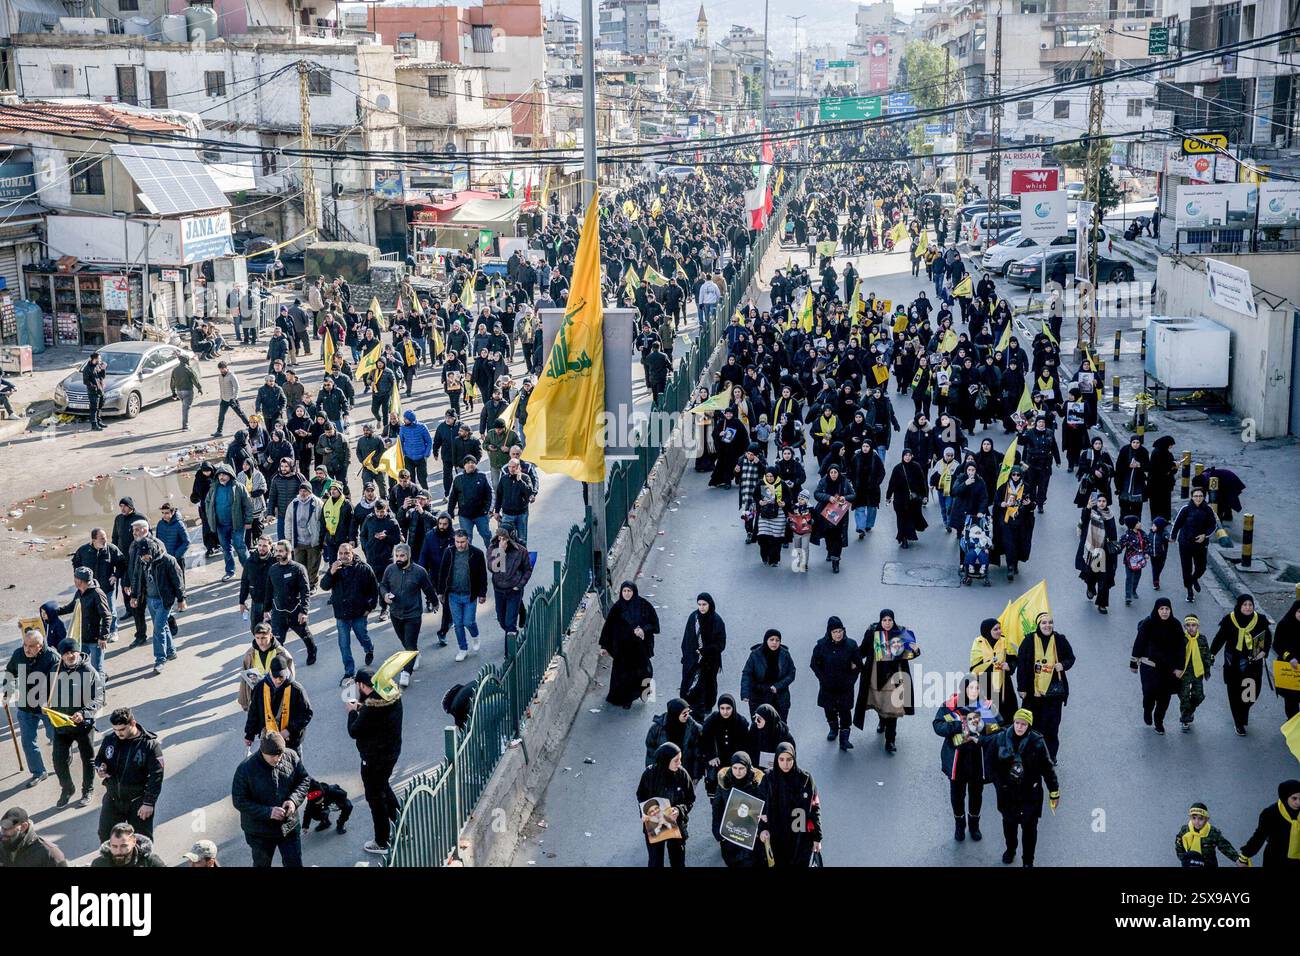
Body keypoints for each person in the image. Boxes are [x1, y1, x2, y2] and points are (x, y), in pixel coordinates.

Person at [934, 675, 1000, 842]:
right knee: (957, 795)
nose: (974, 691)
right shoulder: (950, 706)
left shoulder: (987, 707)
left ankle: (974, 825)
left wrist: (984, 731)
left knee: (976, 794)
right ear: (964, 689)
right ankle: (959, 824)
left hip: (978, 760)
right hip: (957, 761)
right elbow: (937, 725)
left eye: (977, 688)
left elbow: (999, 730)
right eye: (971, 688)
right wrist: (958, 726)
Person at [991, 709, 1060, 867]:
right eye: (1017, 723)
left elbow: (1047, 769)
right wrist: (999, 785)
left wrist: (1054, 792)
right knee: (1009, 826)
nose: (1019, 727)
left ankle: (1028, 861)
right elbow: (991, 765)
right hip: (1008, 794)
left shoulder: (1037, 742)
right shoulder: (1001, 738)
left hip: (1030, 794)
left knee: (1029, 830)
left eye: (1023, 724)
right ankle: (1011, 849)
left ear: (1029, 725)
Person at [230, 732, 310, 867]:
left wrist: (293, 801)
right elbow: (239, 800)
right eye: (272, 756)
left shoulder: (291, 756)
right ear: (262, 751)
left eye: (280, 754)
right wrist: (268, 812)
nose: (277, 759)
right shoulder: (245, 769)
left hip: (288, 826)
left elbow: (304, 780)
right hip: (260, 832)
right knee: (262, 864)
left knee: (294, 863)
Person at [347, 667, 404, 855]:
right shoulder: (391, 696)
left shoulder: (371, 709)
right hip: (391, 753)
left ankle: (382, 841)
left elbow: (354, 731)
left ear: (362, 685)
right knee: (383, 788)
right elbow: (378, 718)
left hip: (373, 759)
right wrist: (362, 707)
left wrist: (352, 712)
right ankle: (402, 825)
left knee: (375, 798)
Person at [855, 609, 921, 754]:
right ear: (880, 621)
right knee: (879, 702)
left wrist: (914, 646)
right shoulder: (872, 633)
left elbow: (911, 653)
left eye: (889, 620)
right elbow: (863, 650)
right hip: (875, 676)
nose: (887, 623)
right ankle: (882, 721)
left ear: (893, 620)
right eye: (884, 620)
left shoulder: (901, 633)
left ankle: (890, 740)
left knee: (892, 708)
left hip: (895, 677)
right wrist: (852, 659)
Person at [94, 707, 164, 843]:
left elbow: (156, 776)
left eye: (122, 729)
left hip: (138, 801)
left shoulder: (149, 745)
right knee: (105, 836)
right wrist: (100, 768)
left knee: (142, 841)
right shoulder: (110, 739)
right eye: (114, 729)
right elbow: (100, 758)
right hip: (113, 798)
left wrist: (148, 803)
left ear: (132, 723)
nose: (118, 733)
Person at [48, 638, 103, 809]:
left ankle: (88, 789)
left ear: (78, 652)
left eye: (72, 652)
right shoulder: (55, 670)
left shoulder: (89, 671)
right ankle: (67, 788)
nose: (70, 655)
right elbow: (47, 693)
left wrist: (84, 713)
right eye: (65, 653)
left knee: (88, 759)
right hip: (61, 724)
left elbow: (99, 697)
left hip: (83, 725)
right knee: (58, 760)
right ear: (61, 655)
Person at [1209, 593, 1272, 736]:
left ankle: (1243, 712)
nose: (1248, 607)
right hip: (1233, 661)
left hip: (1252, 662)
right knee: (1235, 692)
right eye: (1245, 605)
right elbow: (1220, 638)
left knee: (1251, 694)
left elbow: (1267, 638)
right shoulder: (1229, 620)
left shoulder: (1260, 620)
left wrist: (1264, 652)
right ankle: (1239, 722)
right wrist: (1211, 654)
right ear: (1239, 606)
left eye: (1250, 605)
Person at [1015, 613, 1074, 762]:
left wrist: (1063, 665)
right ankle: (1030, 754)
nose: (1048, 626)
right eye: (1044, 623)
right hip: (1032, 693)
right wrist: (1021, 688)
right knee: (1032, 726)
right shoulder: (1028, 641)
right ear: (1038, 625)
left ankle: (1050, 756)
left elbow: (1071, 658)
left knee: (1052, 727)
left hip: (1053, 694)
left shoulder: (1060, 640)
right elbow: (1021, 665)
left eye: (1050, 622)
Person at [3, 628, 58, 787]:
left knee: (56, 737)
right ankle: (38, 772)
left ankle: (63, 759)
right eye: (25, 644)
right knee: (28, 742)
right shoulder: (19, 654)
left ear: (40, 646)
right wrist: (7, 692)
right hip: (26, 707)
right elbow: (10, 672)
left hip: (48, 709)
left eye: (31, 646)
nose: (26, 649)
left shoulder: (53, 658)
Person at [319, 542, 378, 683]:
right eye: (341, 553)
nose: (344, 556)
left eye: (347, 553)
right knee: (344, 645)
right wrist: (331, 572)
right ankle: (349, 672)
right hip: (342, 615)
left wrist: (369, 607)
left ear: (352, 553)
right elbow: (324, 586)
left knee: (362, 636)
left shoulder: (364, 569)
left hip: (359, 613)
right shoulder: (335, 569)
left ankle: (369, 649)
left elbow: (374, 590)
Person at [380, 543, 439, 685]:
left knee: (410, 643)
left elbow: (428, 589)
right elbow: (383, 585)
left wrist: (435, 602)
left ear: (408, 556)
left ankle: (406, 673)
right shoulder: (390, 569)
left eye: (402, 556)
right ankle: (414, 655)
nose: (399, 559)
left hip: (413, 614)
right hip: (395, 613)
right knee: (406, 642)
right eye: (397, 556)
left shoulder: (419, 572)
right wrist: (385, 595)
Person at [757, 742, 821, 867]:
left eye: (789, 759)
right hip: (777, 837)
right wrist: (762, 830)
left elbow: (814, 807)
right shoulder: (768, 779)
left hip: (800, 837)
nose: (785, 764)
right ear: (776, 759)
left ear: (794, 758)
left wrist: (817, 838)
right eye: (781, 759)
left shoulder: (805, 779)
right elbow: (760, 807)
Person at [598, 581, 659, 709]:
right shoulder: (617, 608)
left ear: (634, 592)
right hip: (623, 650)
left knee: (645, 671)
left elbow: (654, 624)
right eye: (624, 591)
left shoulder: (644, 605)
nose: (626, 594)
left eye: (629, 591)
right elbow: (608, 627)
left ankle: (645, 692)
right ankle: (627, 699)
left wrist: (643, 630)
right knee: (624, 676)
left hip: (639, 648)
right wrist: (604, 646)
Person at [1129, 598, 1185, 735]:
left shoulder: (1175, 625)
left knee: (1164, 697)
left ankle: (1159, 721)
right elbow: (1139, 642)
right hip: (1149, 666)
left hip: (1168, 668)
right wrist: (1133, 663)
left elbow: (1180, 647)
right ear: (1156, 609)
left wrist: (1180, 667)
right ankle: (1147, 710)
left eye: (1167, 609)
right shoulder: (1148, 623)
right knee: (1149, 693)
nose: (1164, 612)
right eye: (1161, 609)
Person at [636, 742, 695, 868]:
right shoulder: (649, 774)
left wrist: (679, 810)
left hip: (676, 823)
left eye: (680, 759)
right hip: (654, 822)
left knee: (678, 860)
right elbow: (641, 795)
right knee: (655, 861)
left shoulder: (682, 774)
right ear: (665, 761)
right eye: (676, 761)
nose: (680, 764)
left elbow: (690, 798)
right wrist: (644, 813)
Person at [436, 529, 488, 663]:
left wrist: (482, 593)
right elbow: (442, 572)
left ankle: (475, 636)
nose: (459, 545)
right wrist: (441, 592)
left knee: (469, 621)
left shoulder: (477, 554)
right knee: (458, 624)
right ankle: (463, 648)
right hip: (453, 594)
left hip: (470, 594)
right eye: (457, 542)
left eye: (462, 542)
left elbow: (483, 575)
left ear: (468, 540)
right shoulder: (449, 552)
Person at [244, 656, 313, 753]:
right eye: (274, 676)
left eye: (281, 677)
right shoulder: (260, 688)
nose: (277, 680)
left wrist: (289, 730)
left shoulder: (296, 689)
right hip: (268, 740)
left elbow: (306, 714)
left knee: (295, 766)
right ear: (270, 672)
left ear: (286, 672)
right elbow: (253, 712)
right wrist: (249, 734)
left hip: (291, 741)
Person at [810, 616, 860, 752]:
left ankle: (844, 740)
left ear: (843, 631)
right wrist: (823, 679)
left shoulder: (851, 645)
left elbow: (858, 665)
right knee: (829, 711)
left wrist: (851, 681)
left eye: (840, 631)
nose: (838, 634)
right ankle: (833, 729)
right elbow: (814, 664)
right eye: (834, 632)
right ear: (829, 633)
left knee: (845, 713)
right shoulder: (821, 646)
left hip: (845, 687)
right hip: (828, 687)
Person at [710, 751, 765, 867]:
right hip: (730, 836)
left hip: (751, 837)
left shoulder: (757, 783)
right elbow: (717, 807)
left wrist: (761, 830)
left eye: (741, 768)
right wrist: (717, 831)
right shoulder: (724, 782)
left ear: (748, 767)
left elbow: (764, 808)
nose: (737, 772)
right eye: (734, 768)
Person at [268, 540, 316, 665]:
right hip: (278, 613)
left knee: (305, 636)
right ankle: (280, 666)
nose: (278, 553)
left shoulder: (298, 569)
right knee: (277, 644)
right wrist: (265, 611)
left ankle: (312, 651)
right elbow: (268, 591)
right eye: (276, 551)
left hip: (295, 611)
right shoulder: (273, 569)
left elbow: (305, 591)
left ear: (289, 552)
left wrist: (304, 611)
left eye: (281, 551)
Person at [58, 566, 110, 681]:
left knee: (97, 668)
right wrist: (55, 612)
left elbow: (106, 616)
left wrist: (103, 637)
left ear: (79, 581)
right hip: (82, 638)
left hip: (95, 639)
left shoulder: (97, 594)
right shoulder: (80, 592)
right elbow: (72, 607)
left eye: (75, 578)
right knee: (80, 666)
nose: (74, 580)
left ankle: (100, 694)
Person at [679, 593, 726, 714]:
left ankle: (706, 707)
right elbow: (687, 638)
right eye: (699, 604)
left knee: (708, 684)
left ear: (710, 604)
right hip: (692, 659)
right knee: (689, 682)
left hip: (710, 661)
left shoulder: (717, 621)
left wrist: (704, 650)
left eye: (704, 604)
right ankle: (687, 705)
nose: (702, 607)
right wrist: (686, 655)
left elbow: (721, 644)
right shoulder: (693, 617)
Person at [1238, 780, 1300, 868]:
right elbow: (1259, 836)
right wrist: (1244, 857)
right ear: (1285, 797)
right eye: (1294, 798)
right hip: (1275, 858)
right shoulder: (1271, 813)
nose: (1298, 803)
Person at [487, 527, 532, 646]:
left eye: (504, 539)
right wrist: (500, 552)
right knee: (502, 620)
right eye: (499, 538)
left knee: (509, 623)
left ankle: (510, 656)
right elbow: (493, 568)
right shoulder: (493, 548)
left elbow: (527, 569)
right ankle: (512, 634)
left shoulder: (520, 550)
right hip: (499, 590)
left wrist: (519, 585)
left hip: (514, 590)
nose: (501, 541)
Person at [1171, 487, 1215, 603]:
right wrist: (1173, 536)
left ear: (1204, 497)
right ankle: (1189, 591)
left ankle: (1194, 579)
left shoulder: (1208, 510)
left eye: (1200, 496)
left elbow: (1213, 526)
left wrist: (1204, 536)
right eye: (1196, 496)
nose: (1198, 498)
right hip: (1185, 543)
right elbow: (1177, 524)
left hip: (1201, 544)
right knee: (1186, 568)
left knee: (1201, 567)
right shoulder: (1185, 509)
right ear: (1192, 497)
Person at [740, 628, 796, 720]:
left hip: (779, 696)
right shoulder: (755, 654)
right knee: (759, 725)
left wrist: (777, 686)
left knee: (780, 726)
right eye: (771, 639)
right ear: (766, 640)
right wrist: (745, 693)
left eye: (777, 640)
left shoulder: (785, 654)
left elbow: (791, 673)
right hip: (759, 695)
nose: (774, 642)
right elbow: (747, 673)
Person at [1076, 492, 1117, 613]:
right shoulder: (1091, 512)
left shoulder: (1110, 515)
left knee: (1104, 578)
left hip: (1106, 552)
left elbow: (1113, 533)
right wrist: (1088, 507)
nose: (1101, 503)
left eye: (1104, 501)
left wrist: (1114, 547)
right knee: (1092, 574)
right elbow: (1083, 521)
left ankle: (1102, 604)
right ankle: (1090, 587)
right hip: (1093, 550)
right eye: (1099, 501)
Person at [1174, 801, 1246, 867]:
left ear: (1206, 819)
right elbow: (1178, 844)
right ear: (1190, 818)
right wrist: (1184, 859)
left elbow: (1225, 846)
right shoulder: (1185, 830)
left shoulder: (1213, 833)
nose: (1196, 821)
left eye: (1200, 819)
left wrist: (1236, 859)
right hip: (1190, 863)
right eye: (1194, 818)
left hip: (1209, 864)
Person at [885, 448, 928, 549]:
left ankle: (908, 534)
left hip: (912, 499)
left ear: (912, 456)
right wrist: (888, 496)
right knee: (901, 519)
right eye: (905, 455)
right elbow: (892, 483)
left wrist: (924, 495)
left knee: (909, 518)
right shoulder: (898, 468)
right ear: (902, 456)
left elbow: (922, 482)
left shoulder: (916, 467)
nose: (907, 457)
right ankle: (903, 538)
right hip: (899, 499)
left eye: (909, 455)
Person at [0, 807, 67, 867]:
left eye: (7, 828)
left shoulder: (50, 854)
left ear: (23, 827)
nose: (2, 832)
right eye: (2, 828)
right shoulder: (3, 842)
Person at [90, 822, 166, 868]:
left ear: (134, 842)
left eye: (123, 846)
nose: (118, 851)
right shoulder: (99, 864)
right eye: (114, 846)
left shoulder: (150, 862)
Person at [1274, 600, 1300, 720]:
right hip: (1289, 669)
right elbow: (1277, 645)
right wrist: (1289, 657)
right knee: (1291, 701)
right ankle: (1293, 727)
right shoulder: (1284, 624)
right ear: (1294, 611)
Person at [171, 352, 202, 431]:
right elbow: (195, 379)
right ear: (186, 360)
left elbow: (172, 382)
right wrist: (199, 388)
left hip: (179, 392)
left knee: (185, 408)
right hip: (188, 391)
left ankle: (185, 424)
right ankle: (185, 426)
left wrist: (173, 392)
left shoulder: (175, 370)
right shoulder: (188, 369)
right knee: (185, 409)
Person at [82, 351, 106, 430]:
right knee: (94, 408)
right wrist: (94, 387)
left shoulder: (97, 366)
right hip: (93, 392)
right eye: (99, 358)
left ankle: (99, 421)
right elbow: (86, 381)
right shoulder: (87, 369)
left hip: (100, 390)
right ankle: (94, 425)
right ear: (94, 359)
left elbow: (102, 376)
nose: (100, 360)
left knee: (99, 407)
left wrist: (103, 369)